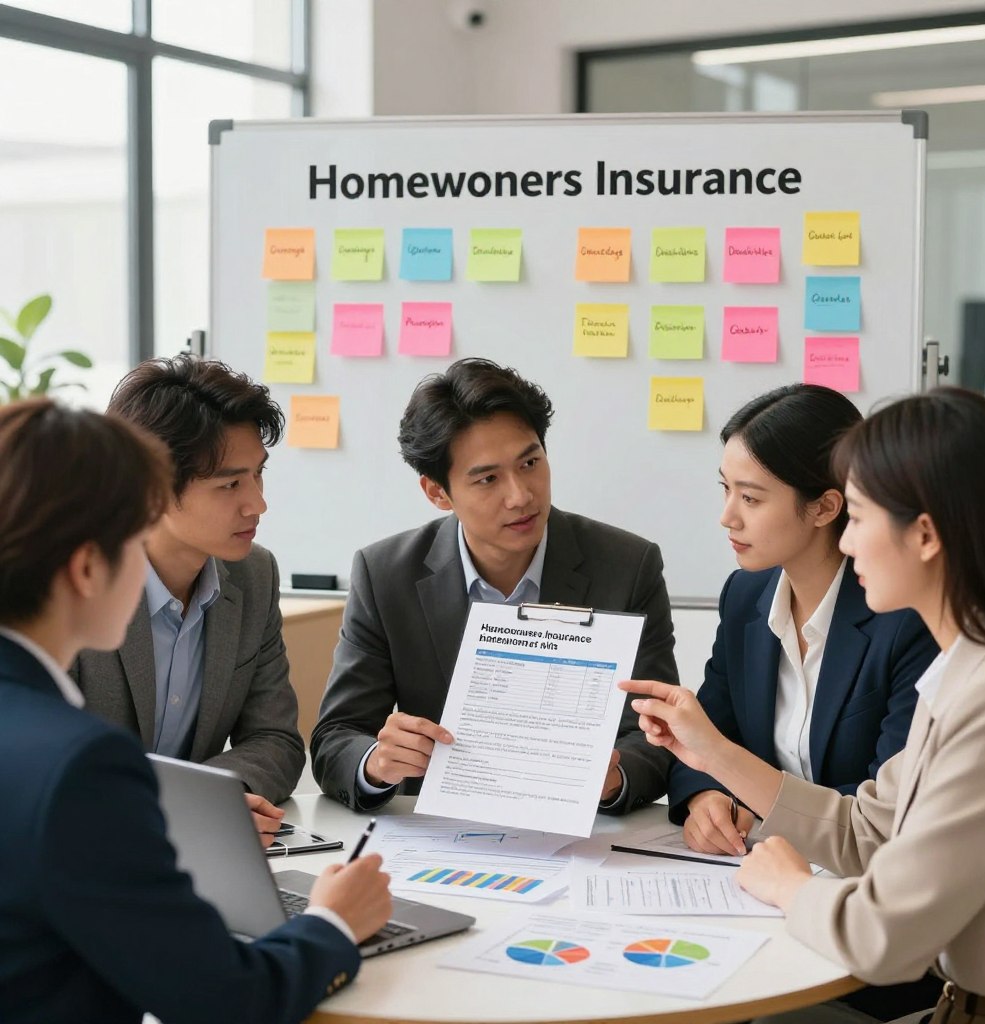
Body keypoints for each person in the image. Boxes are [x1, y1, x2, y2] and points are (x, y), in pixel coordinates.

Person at [624, 387, 985, 1024]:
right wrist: (712, 757)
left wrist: (792, 886)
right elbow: (867, 830)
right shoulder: (966, 669)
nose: (848, 543)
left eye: (858, 518)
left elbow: (884, 936)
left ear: (924, 535)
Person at [0, 399, 392, 1024]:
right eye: (134, 539)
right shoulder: (80, 766)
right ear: (86, 568)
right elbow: (228, 1000)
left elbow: (276, 738)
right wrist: (333, 923)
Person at [312, 357, 679, 812]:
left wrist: (615, 777)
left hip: (581, 829)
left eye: (530, 463)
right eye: (488, 479)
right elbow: (336, 737)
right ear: (437, 492)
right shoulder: (386, 574)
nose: (521, 495)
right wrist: (376, 763)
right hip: (439, 831)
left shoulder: (626, 566)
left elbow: (657, 733)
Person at [669, 384, 937, 862]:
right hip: (754, 869)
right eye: (726, 489)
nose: (727, 517)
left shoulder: (906, 619)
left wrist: (761, 805)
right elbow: (708, 736)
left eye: (751, 499)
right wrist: (705, 797)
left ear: (825, 507)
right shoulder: (745, 596)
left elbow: (891, 809)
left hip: (858, 874)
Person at [73, 356, 303, 845]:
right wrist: (174, 810)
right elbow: (35, 765)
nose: (258, 504)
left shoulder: (254, 575)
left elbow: (275, 740)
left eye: (258, 475)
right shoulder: (69, 585)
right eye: (230, 484)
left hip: (192, 854)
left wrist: (217, 802)